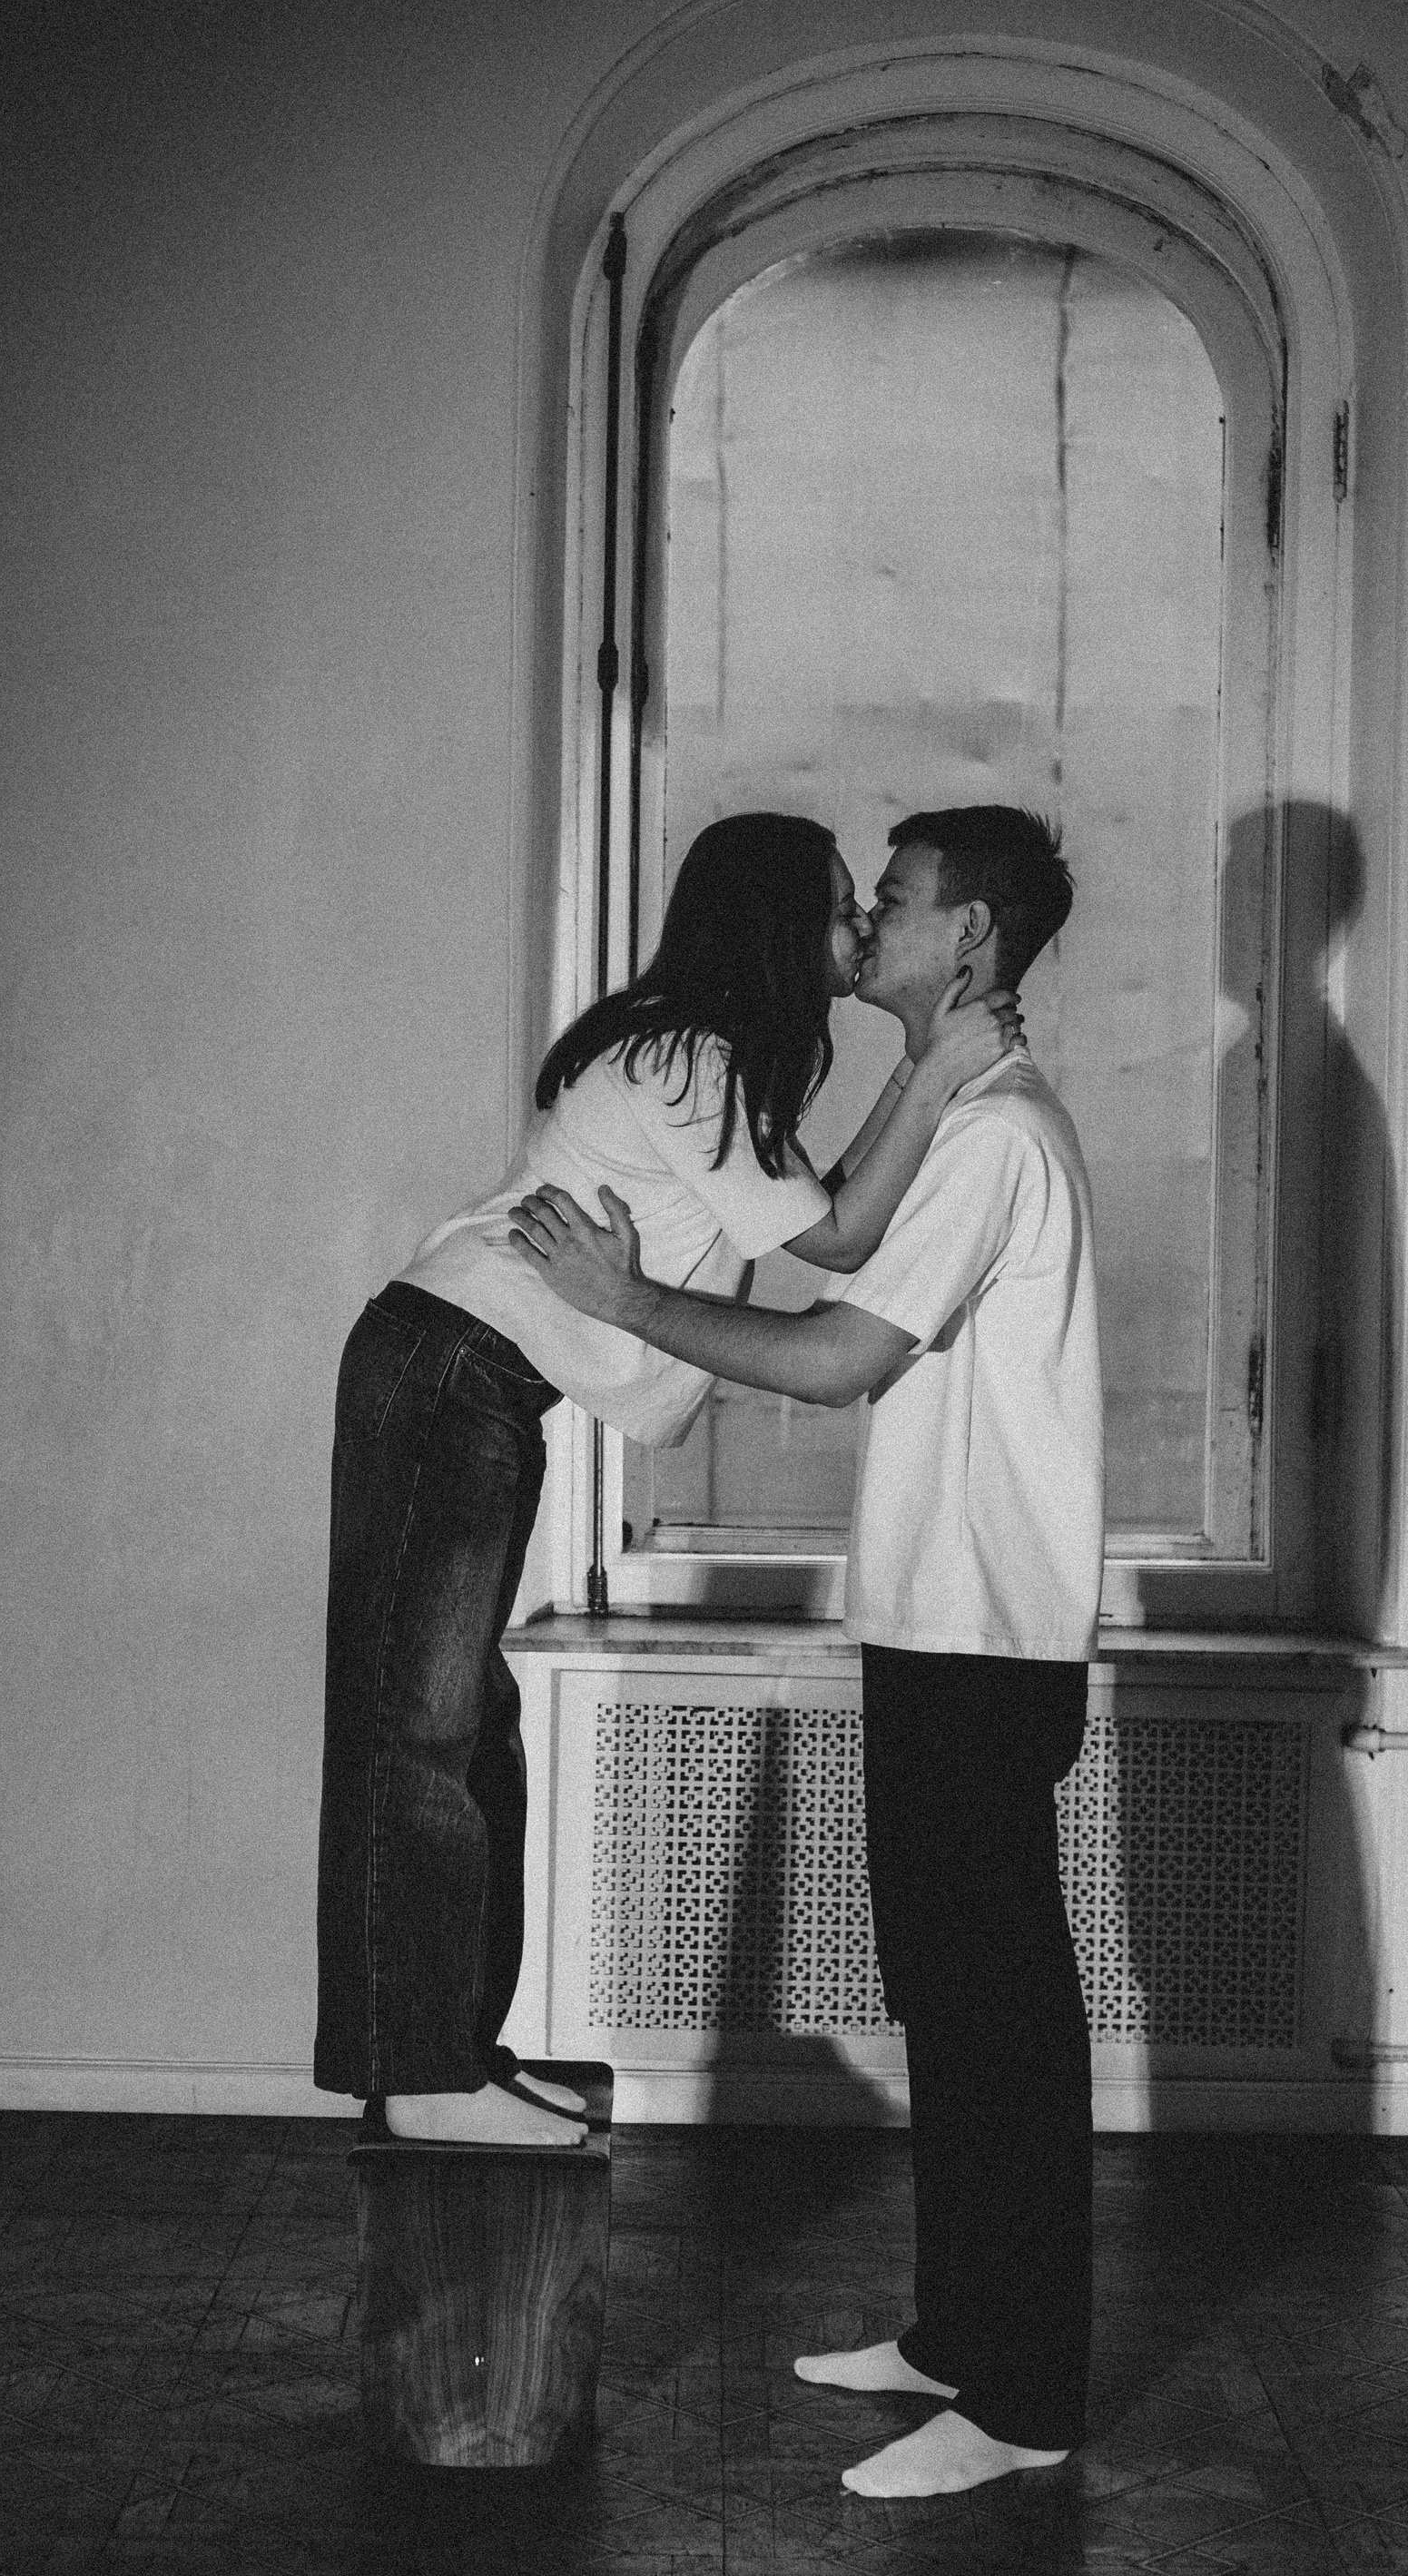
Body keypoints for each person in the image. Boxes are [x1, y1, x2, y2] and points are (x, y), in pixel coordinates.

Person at [511, 805, 1102, 2491]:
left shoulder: (996, 1136)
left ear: (968, 938)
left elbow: (842, 1357)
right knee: (949, 1999)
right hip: (938, 1622)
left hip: (983, 1634)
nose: (866, 926)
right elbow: (834, 1236)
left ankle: (1024, 2407)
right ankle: (961, 2337)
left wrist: (630, 1304)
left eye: (894, 901)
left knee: (995, 2018)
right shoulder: (960, 1117)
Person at [314, 812, 1022, 2149]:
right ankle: (419, 2076)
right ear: (772, 925)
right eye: (838, 905)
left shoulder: (707, 1062)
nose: (857, 928)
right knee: (417, 1730)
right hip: (449, 1370)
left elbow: (823, 1206)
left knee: (461, 1727)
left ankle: (452, 2056)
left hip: (465, 1377)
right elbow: (840, 1238)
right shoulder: (688, 1059)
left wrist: (915, 1074)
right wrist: (933, 1073)